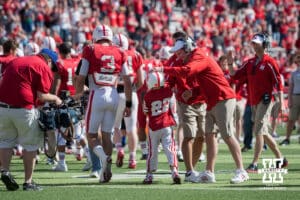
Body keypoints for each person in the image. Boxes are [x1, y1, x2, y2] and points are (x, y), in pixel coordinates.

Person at [160, 36, 249, 184]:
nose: (177, 55)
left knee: (227, 135)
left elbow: (188, 71)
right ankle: (209, 171)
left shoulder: (199, 56)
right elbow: (205, 82)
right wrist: (193, 93)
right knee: (209, 135)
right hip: (211, 101)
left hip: (223, 98)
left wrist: (162, 68)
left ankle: (241, 170)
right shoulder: (195, 57)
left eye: (180, 52)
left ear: (188, 49)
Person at [75, 24, 132, 183]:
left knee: (91, 135)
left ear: (95, 36)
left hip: (96, 93)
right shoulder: (120, 51)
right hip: (114, 95)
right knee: (107, 135)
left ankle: (102, 158)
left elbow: (81, 77)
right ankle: (106, 171)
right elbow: (127, 81)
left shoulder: (91, 49)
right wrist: (128, 104)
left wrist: (78, 95)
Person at [0, 48, 62, 191]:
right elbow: (42, 96)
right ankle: (28, 182)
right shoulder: (42, 66)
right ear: (49, 60)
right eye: (52, 66)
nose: (52, 69)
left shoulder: (16, 60)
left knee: (5, 142)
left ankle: (5, 171)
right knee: (31, 145)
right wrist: (56, 99)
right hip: (24, 108)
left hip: (2, 106)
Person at [228, 32, 288, 172]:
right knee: (263, 131)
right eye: (253, 42)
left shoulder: (270, 62)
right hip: (254, 100)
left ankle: (254, 163)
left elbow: (278, 82)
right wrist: (230, 63)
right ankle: (281, 159)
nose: (254, 45)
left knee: (258, 131)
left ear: (264, 44)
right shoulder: (249, 62)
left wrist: (282, 103)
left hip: (265, 100)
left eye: (257, 42)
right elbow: (234, 75)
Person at [165, 32, 207, 183]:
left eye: (179, 47)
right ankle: (189, 171)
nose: (177, 52)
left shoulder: (199, 57)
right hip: (185, 102)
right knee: (189, 135)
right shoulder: (173, 61)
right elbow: (168, 81)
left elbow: (207, 77)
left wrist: (195, 91)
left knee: (201, 136)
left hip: (202, 100)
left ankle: (192, 168)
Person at [142, 71, 181, 184]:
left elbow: (146, 112)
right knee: (170, 149)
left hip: (154, 126)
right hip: (167, 124)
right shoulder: (168, 91)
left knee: (152, 151)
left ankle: (149, 175)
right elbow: (172, 106)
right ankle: (174, 172)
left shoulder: (148, 96)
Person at [112, 33, 142, 169]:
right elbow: (141, 80)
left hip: (116, 92)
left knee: (116, 126)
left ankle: (120, 149)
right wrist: (134, 90)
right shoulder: (136, 55)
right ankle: (133, 158)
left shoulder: (112, 54)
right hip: (132, 92)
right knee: (131, 129)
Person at [280, 50, 300, 145]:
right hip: (296, 96)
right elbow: (291, 87)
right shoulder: (294, 73)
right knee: (291, 119)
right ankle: (287, 138)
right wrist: (290, 100)